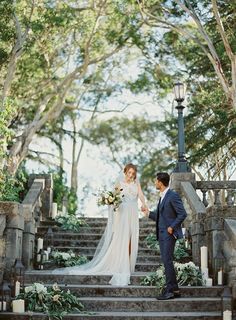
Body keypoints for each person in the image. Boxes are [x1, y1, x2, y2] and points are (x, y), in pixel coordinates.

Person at [52, 163, 147, 286]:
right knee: (123, 238)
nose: (131, 175)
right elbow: (115, 198)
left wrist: (144, 204)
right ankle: (121, 264)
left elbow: (140, 195)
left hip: (133, 213)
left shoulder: (136, 183)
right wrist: (112, 202)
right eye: (129, 172)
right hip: (123, 213)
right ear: (125, 172)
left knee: (131, 238)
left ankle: (128, 264)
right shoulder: (120, 184)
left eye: (133, 173)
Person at [142, 172, 187, 300]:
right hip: (161, 235)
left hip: (168, 234)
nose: (155, 183)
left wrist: (172, 227)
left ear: (160, 183)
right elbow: (160, 216)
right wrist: (148, 213)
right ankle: (175, 289)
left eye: (156, 181)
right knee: (167, 262)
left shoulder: (172, 195)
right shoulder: (162, 197)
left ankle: (170, 291)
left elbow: (182, 214)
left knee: (167, 261)